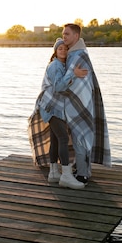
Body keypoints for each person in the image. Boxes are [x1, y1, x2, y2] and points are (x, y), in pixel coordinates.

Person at [28, 38, 88, 188]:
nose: (63, 51)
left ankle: (54, 173)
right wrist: (73, 74)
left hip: (55, 107)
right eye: (60, 48)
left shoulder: (62, 65)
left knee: (55, 139)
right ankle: (66, 176)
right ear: (55, 51)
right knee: (62, 137)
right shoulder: (55, 66)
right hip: (50, 107)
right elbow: (59, 87)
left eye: (65, 48)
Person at [61, 23, 111, 184]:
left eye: (67, 34)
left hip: (80, 102)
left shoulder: (79, 55)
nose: (64, 37)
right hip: (77, 101)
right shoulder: (75, 53)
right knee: (79, 137)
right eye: (63, 34)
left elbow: (70, 81)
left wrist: (70, 75)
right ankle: (82, 170)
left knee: (80, 138)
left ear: (76, 36)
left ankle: (82, 174)